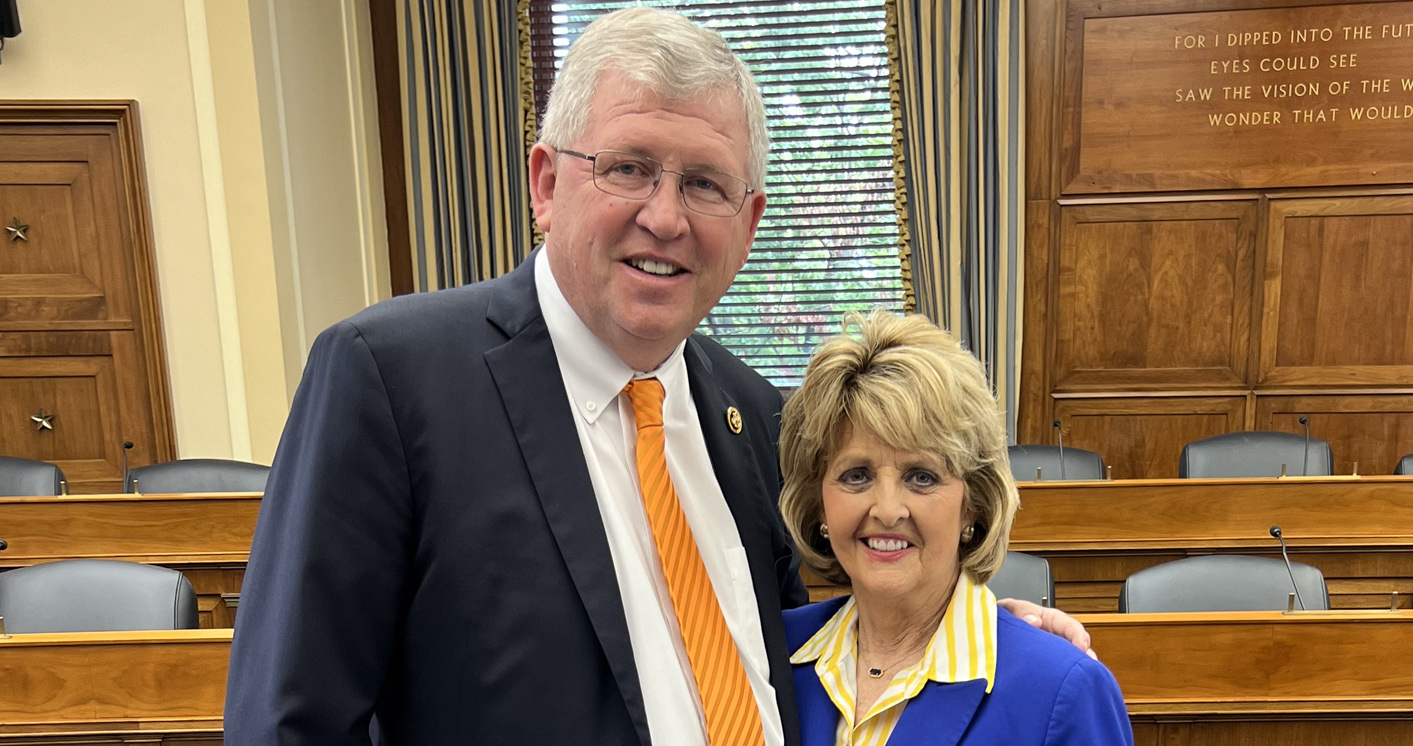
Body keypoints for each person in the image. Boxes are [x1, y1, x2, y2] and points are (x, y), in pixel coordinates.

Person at [224, 8, 1086, 745]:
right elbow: (289, 723)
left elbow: (809, 640)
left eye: (705, 184)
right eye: (629, 167)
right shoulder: (390, 378)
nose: (665, 216)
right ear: (547, 182)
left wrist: (985, 641)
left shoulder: (750, 410)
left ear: (746, 226)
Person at [778, 311, 1132, 746]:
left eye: (921, 476)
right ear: (819, 503)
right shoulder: (770, 654)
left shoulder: (1063, 690)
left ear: (973, 506)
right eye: (856, 475)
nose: (888, 511)